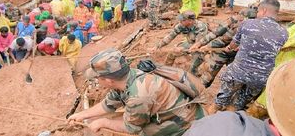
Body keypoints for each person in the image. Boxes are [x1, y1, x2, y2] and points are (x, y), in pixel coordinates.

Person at [184, 47, 295, 136]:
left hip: (237, 73)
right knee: (239, 100)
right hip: (258, 78)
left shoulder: (222, 126)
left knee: (224, 100)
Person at [68, 48, 206, 135]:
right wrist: (82, 115)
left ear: (109, 80)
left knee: (142, 132)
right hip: (176, 114)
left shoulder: (138, 96)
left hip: (187, 125)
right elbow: (108, 104)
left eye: (97, 77)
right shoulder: (127, 77)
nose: (97, 81)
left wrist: (103, 122)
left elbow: (131, 128)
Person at [211, 0, 288, 112]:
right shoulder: (284, 32)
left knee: (221, 99)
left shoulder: (247, 23)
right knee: (238, 103)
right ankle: (232, 112)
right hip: (261, 79)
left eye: (258, 11)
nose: (257, 14)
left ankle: (216, 107)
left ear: (264, 10)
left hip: (238, 73)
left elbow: (233, 45)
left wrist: (230, 48)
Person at [190, 8, 258, 87]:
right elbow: (217, 33)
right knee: (207, 76)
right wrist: (201, 43)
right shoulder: (233, 20)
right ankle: (197, 90)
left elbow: (227, 39)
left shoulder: (256, 28)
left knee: (235, 80)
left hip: (237, 56)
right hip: (221, 52)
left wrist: (240, 47)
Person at [154, 10, 208, 76]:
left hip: (201, 47)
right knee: (172, 54)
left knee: (192, 67)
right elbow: (170, 36)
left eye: (183, 20)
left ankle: (195, 75)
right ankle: (166, 70)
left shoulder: (201, 27)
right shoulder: (181, 25)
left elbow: (197, 46)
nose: (180, 21)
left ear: (190, 21)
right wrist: (158, 46)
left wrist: (182, 48)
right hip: (190, 43)